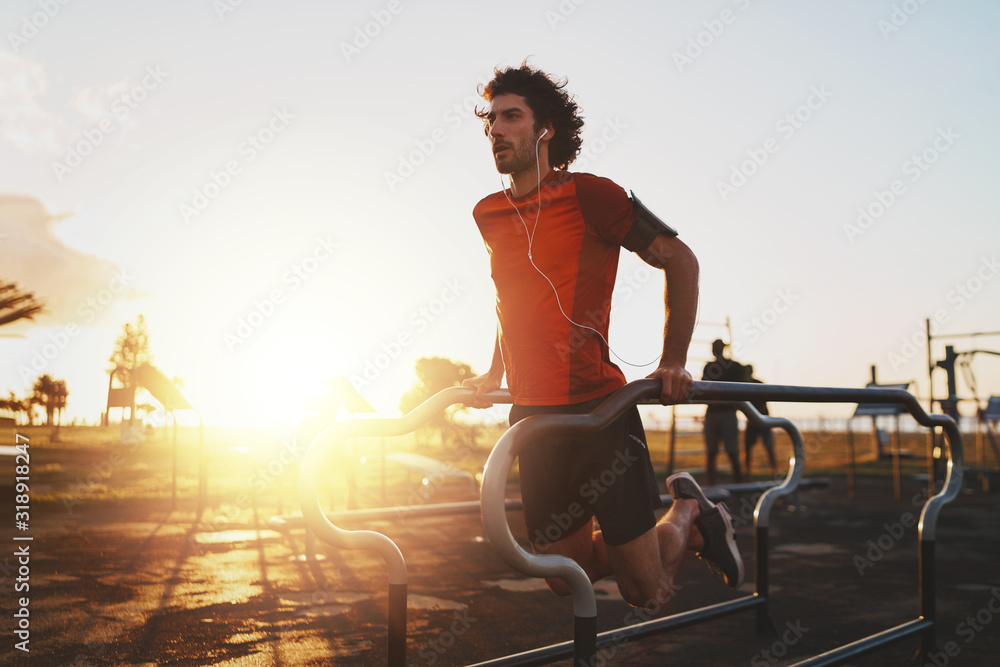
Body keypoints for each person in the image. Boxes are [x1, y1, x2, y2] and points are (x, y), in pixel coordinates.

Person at [462, 63, 742, 609]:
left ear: (544, 130)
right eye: (490, 119)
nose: (495, 129)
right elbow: (511, 300)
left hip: (600, 416)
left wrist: (674, 360)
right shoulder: (488, 213)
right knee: (564, 575)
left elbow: (679, 260)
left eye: (510, 117)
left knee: (646, 590)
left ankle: (689, 515)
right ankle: (692, 524)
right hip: (534, 421)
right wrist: (495, 371)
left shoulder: (594, 195)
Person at [701, 339, 745, 486]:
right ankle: (733, 486)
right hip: (721, 412)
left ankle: (736, 485)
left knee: (726, 452)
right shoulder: (731, 366)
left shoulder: (727, 366)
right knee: (718, 452)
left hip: (721, 412)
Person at [741, 364, 779, 479]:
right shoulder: (746, 386)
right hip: (754, 420)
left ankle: (774, 471)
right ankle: (747, 472)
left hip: (762, 419)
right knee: (748, 446)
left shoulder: (755, 384)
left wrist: (754, 415)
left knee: (767, 445)